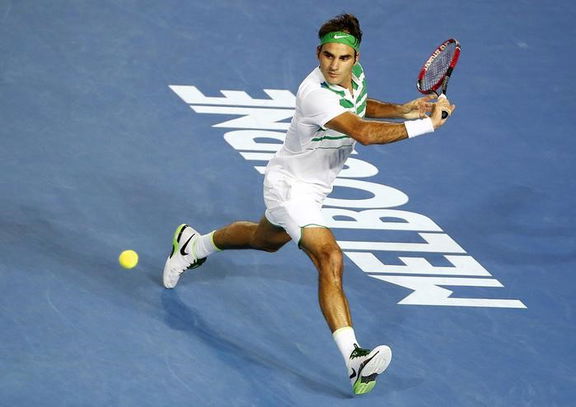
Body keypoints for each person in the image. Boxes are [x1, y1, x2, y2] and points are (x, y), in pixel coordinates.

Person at [163, 13, 455, 395]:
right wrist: (427, 125)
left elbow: (362, 105)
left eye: (343, 58)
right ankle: (355, 358)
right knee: (329, 257)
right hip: (291, 187)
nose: (334, 65)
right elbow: (363, 134)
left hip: (315, 187)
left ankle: (194, 244)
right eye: (327, 56)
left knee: (266, 240)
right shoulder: (314, 93)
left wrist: (403, 109)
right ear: (318, 53)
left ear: (356, 58)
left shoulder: (356, 78)